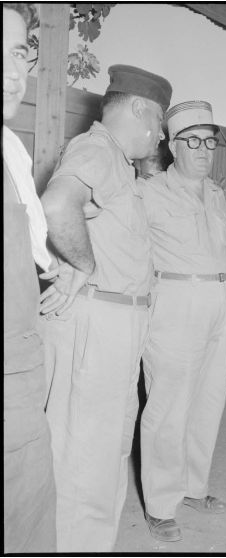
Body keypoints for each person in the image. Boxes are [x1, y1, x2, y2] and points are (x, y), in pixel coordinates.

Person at [40, 64, 172, 551]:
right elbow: (57, 207)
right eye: (158, 122)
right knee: (84, 458)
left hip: (115, 324)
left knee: (106, 451)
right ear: (138, 109)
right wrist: (83, 262)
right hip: (98, 324)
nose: (159, 135)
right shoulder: (96, 149)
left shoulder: (118, 163)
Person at [138, 101, 226, 542]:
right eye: (192, 141)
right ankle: (160, 504)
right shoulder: (148, 191)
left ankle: (194, 486)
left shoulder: (216, 194)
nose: (203, 150)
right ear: (172, 146)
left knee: (208, 399)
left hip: (221, 297)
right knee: (168, 405)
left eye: (209, 141)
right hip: (176, 300)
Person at [3, 3, 57, 552]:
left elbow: (38, 250)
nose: (13, 72)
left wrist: (57, 269)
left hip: (19, 370)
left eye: (19, 53)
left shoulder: (11, 148)